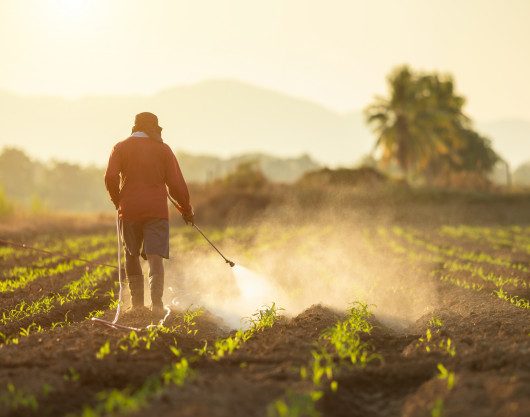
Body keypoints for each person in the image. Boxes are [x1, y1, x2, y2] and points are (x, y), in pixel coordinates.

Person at [104, 112, 194, 315]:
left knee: (131, 254)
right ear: (153, 128)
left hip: (129, 210)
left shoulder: (120, 147)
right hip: (156, 211)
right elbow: (176, 184)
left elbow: (110, 177)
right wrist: (186, 210)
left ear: (135, 127)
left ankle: (137, 305)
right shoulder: (163, 149)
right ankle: (156, 305)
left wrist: (118, 201)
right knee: (155, 257)